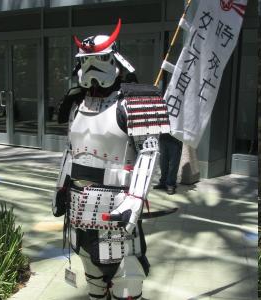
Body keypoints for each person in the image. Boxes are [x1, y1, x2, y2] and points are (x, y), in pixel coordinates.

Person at [52, 19, 171, 300]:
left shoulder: (135, 102)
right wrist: (59, 188)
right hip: (78, 201)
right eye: (86, 60)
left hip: (117, 202)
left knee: (125, 278)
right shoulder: (75, 102)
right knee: (91, 271)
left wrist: (136, 199)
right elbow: (71, 150)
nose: (92, 66)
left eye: (100, 58)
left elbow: (150, 151)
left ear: (114, 59)